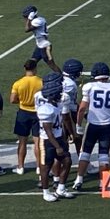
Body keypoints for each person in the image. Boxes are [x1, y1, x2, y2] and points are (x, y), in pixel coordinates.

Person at [72, 62, 110, 190]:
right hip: (108, 125)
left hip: (93, 125)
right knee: (104, 155)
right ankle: (102, 183)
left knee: (85, 152)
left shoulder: (89, 87)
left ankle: (79, 180)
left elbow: (82, 109)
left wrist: (78, 124)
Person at [34, 72, 75, 203]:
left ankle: (61, 188)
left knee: (67, 161)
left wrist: (62, 139)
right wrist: (57, 146)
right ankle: (46, 192)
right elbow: (48, 131)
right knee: (46, 167)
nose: (60, 95)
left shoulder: (55, 105)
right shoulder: (45, 109)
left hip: (57, 138)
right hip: (47, 141)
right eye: (57, 93)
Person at [9, 59, 43, 174]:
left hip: (23, 112)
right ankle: (39, 167)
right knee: (38, 142)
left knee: (22, 141)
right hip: (37, 112)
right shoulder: (41, 82)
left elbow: (12, 99)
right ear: (35, 68)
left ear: (25, 68)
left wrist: (22, 101)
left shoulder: (18, 83)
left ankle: (20, 166)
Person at [22, 5, 61, 73]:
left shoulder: (37, 21)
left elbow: (26, 29)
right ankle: (30, 79)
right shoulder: (40, 19)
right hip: (40, 46)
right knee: (31, 64)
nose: (25, 18)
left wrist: (29, 19)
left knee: (51, 64)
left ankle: (62, 79)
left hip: (45, 46)